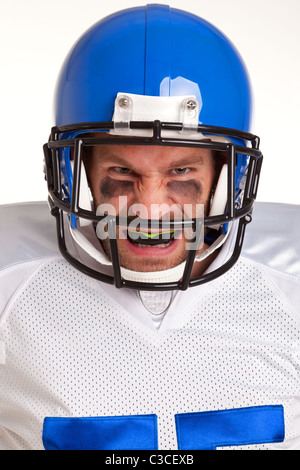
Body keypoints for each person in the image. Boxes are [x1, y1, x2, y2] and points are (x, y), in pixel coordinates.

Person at [0, 4, 299, 451]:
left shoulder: (289, 285)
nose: (151, 208)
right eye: (122, 172)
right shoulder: (10, 285)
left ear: (225, 176)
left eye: (181, 173)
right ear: (78, 171)